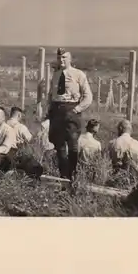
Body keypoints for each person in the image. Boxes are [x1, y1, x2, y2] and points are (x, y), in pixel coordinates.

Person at [46, 47, 93, 181]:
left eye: (64, 57)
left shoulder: (78, 74)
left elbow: (88, 97)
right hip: (57, 111)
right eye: (59, 57)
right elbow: (51, 94)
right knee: (59, 145)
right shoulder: (55, 75)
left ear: (70, 59)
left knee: (72, 145)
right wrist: (49, 110)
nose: (61, 60)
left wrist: (76, 110)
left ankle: (73, 175)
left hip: (71, 109)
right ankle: (63, 177)